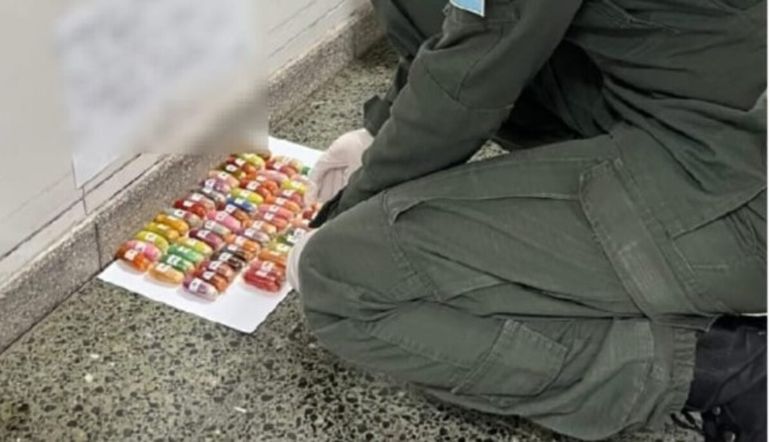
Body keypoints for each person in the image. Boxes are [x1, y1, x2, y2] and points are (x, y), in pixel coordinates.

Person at [287, 0, 767, 440]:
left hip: (727, 184)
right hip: (703, 137)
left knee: (341, 277)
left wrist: (344, 212)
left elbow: (479, 59)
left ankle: (724, 368)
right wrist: (379, 131)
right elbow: (472, 20)